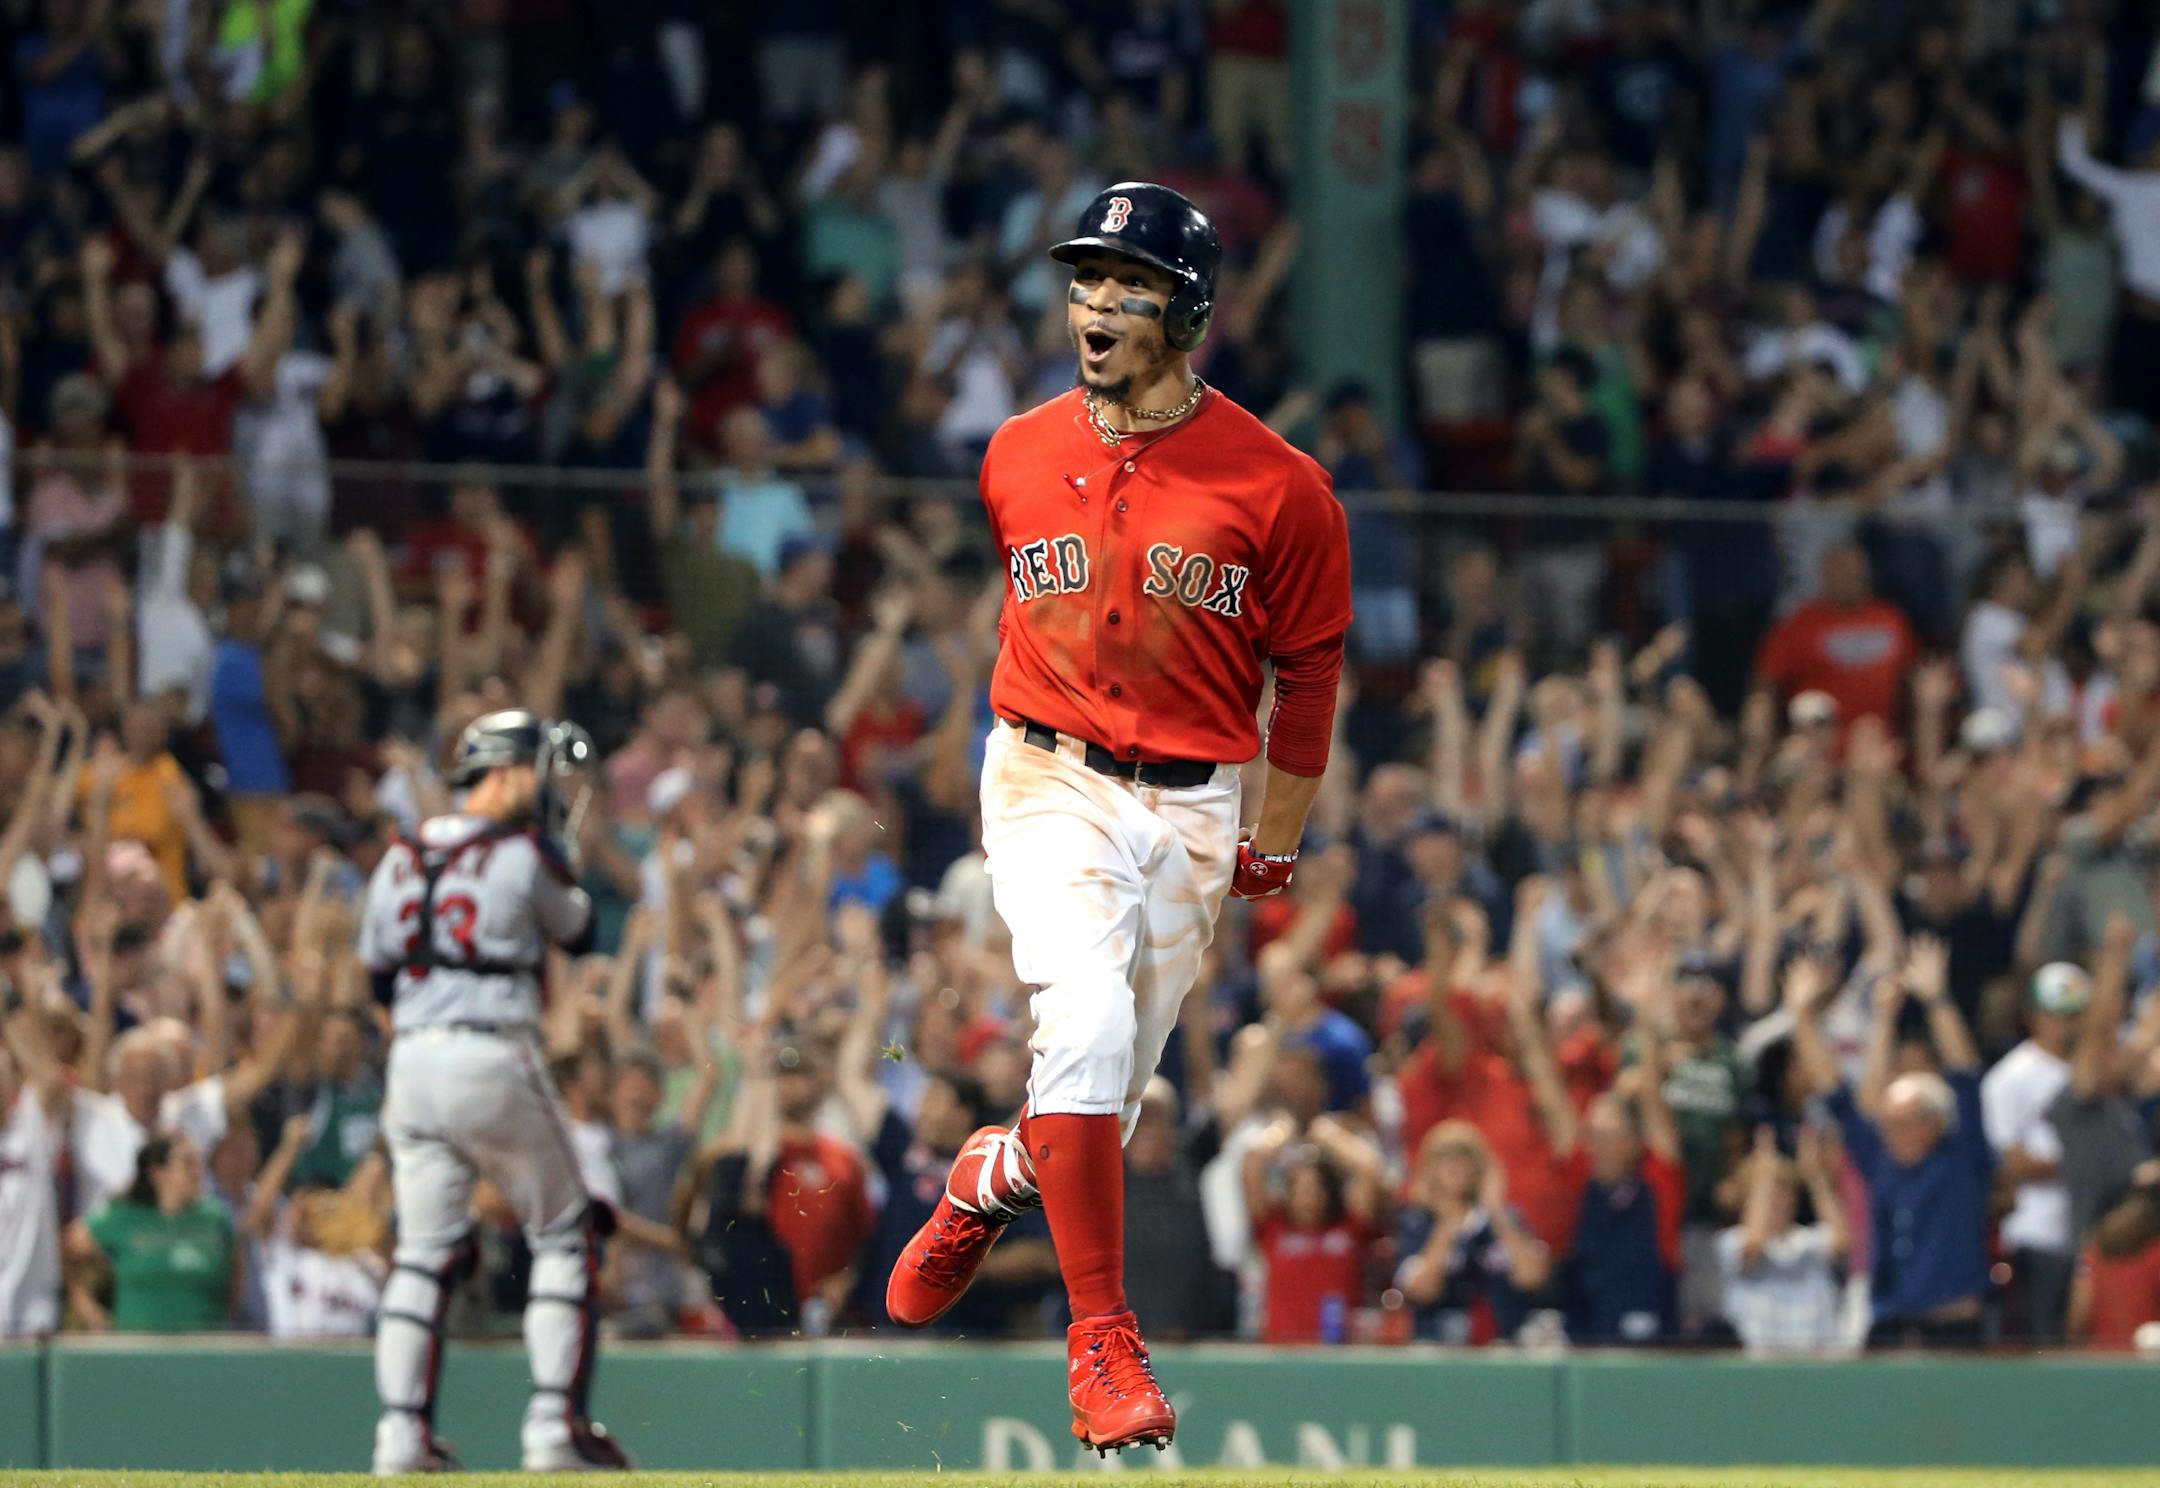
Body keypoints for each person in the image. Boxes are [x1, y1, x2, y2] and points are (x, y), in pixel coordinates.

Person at [883, 182, 1352, 1456]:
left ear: (1186, 305)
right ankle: (1100, 1339)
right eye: (1085, 277)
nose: (1095, 303)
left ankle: (994, 1177)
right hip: (1045, 774)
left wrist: (1277, 837)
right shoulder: (1015, 450)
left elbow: (1306, 684)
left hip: (1196, 805)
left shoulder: (1284, 488)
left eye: (1127, 282)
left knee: (1103, 1100)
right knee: (1082, 1027)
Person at [357, 708, 632, 1472]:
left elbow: (376, 970)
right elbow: (577, 930)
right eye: (536, 772)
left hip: (410, 1061)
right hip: (491, 1050)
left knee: (422, 1254)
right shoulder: (520, 851)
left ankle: (400, 1434)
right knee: (566, 1230)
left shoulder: (400, 853)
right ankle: (552, 1427)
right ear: (506, 773)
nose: (545, 786)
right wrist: (563, 858)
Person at [65, 1134, 236, 1332]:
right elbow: (70, 1248)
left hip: (204, 1347)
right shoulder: (123, 1217)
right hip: (140, 1349)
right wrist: (88, 1309)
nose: (198, 1171)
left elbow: (236, 1272)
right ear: (158, 1173)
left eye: (200, 1162)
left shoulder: (216, 1218)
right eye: (187, 1163)